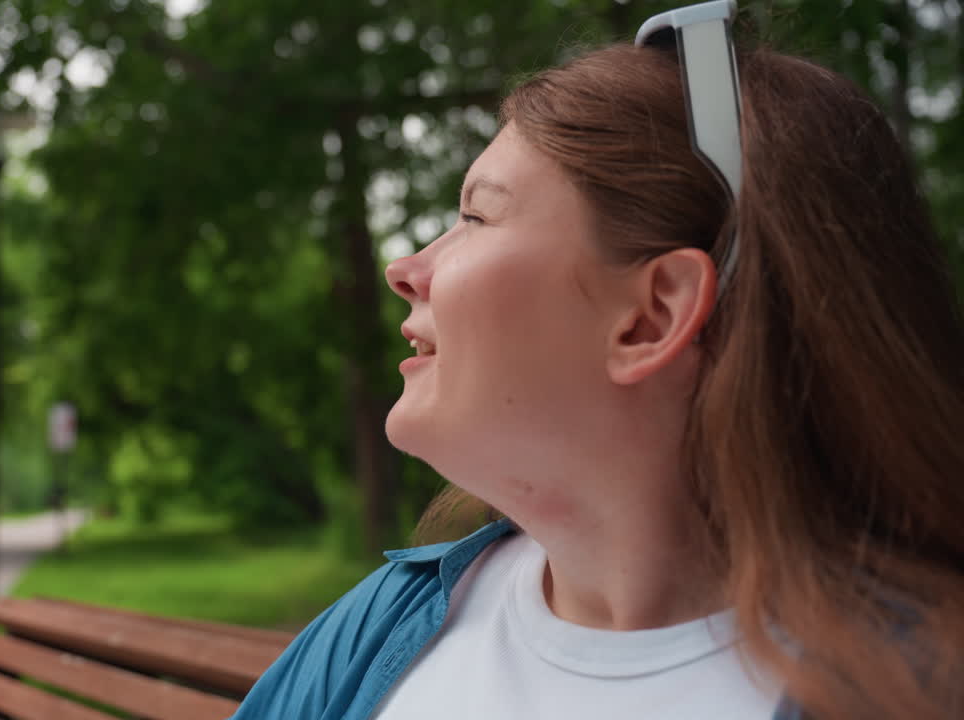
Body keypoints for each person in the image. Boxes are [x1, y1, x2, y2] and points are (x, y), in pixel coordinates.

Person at [230, 2, 964, 719]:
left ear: (651, 318)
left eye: (477, 217)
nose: (405, 268)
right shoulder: (390, 621)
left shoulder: (916, 690)